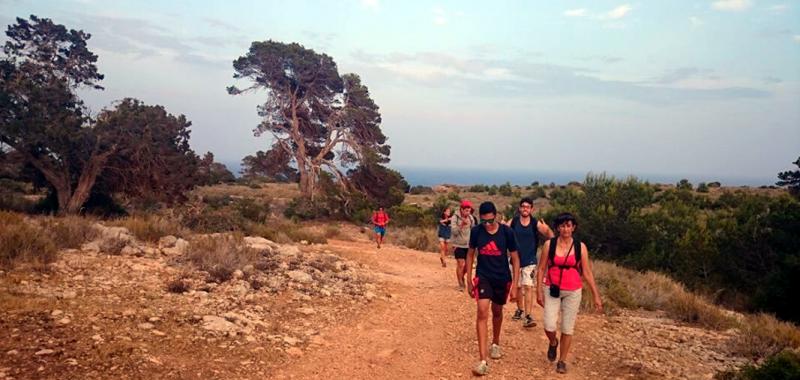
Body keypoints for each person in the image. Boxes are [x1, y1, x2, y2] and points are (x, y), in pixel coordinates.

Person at [535, 212, 603, 375]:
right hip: (552, 288)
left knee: (567, 327)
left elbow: (586, 272)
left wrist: (596, 295)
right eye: (562, 225)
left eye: (569, 225)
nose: (565, 229)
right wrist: (538, 290)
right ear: (558, 228)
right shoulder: (549, 245)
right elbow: (542, 268)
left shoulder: (581, 247)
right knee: (549, 325)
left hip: (573, 290)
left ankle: (562, 361)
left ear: (573, 228)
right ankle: (553, 342)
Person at [465, 201, 520, 376]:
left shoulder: (507, 232)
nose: (487, 225)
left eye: (490, 221)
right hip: (484, 277)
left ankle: (495, 342)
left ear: (495, 216)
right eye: (484, 222)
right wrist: (468, 277)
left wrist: (516, 285)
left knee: (497, 312)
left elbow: (515, 259)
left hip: (502, 278)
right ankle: (483, 360)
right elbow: (470, 253)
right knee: (482, 311)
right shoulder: (476, 232)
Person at [507, 197, 554, 328]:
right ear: (520, 208)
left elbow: (550, 236)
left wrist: (548, 229)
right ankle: (520, 309)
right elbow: (503, 230)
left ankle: (528, 316)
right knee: (517, 286)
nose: (525, 209)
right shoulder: (514, 221)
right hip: (515, 260)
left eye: (528, 207)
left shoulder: (535, 223)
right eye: (523, 206)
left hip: (530, 260)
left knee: (528, 287)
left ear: (532, 209)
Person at [450, 200, 474, 289]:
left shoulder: (471, 218)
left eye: (469, 210)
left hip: (468, 245)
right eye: (466, 210)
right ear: (461, 209)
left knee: (468, 266)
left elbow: (473, 230)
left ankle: (461, 276)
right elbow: (454, 232)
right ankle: (460, 283)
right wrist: (461, 225)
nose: (468, 212)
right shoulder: (455, 218)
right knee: (460, 264)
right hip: (458, 244)